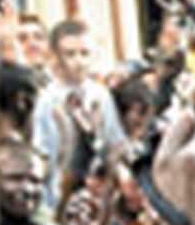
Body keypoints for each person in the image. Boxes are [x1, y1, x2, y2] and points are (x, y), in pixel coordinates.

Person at [29, 20, 124, 210]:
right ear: (55, 56)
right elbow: (41, 153)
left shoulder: (101, 96)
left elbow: (115, 142)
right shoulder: (47, 101)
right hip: (59, 197)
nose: (78, 61)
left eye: (84, 53)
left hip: (97, 194)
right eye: (70, 54)